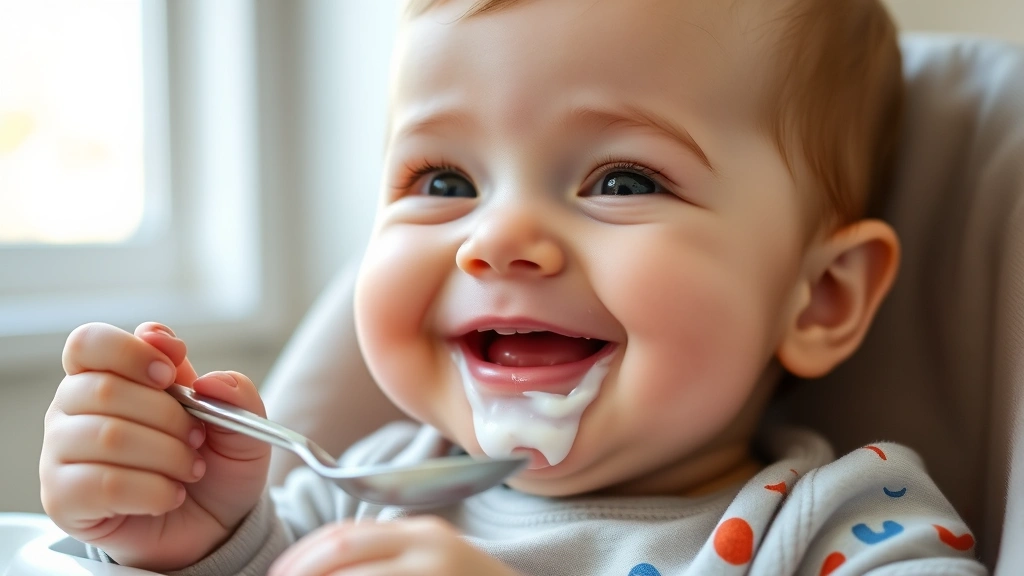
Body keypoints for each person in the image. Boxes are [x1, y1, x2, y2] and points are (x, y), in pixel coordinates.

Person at [38, 0, 988, 573]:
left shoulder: (846, 525)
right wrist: (193, 544)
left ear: (819, 298)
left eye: (622, 181)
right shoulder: (360, 495)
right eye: (444, 182)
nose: (497, 242)